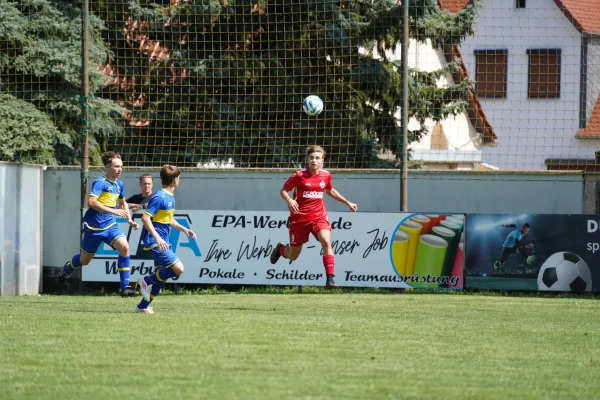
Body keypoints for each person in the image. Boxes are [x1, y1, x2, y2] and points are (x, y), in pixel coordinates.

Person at [269, 145, 358, 288]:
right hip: (299, 219)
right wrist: (290, 200)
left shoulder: (326, 175)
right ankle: (280, 249)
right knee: (293, 256)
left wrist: (348, 202)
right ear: (307, 159)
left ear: (322, 160)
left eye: (317, 158)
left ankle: (330, 279)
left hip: (319, 217)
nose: (314, 160)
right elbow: (283, 191)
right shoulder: (299, 175)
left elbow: (330, 190)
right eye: (311, 158)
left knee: (326, 240)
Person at [57, 151, 140, 297]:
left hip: (110, 226)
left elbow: (122, 203)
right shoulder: (100, 182)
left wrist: (129, 219)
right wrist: (114, 211)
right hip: (94, 228)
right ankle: (68, 268)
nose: (120, 169)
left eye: (121, 166)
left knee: (125, 247)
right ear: (107, 166)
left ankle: (124, 288)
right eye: (116, 166)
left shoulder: (119, 185)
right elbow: (91, 203)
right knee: (84, 260)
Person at [135, 165, 197, 314]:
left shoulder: (169, 197)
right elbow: (145, 218)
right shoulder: (160, 197)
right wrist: (157, 238)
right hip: (155, 240)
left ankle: (142, 306)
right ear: (175, 180)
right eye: (179, 177)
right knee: (178, 269)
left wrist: (185, 229)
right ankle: (145, 281)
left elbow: (167, 219)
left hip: (163, 239)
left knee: (162, 277)